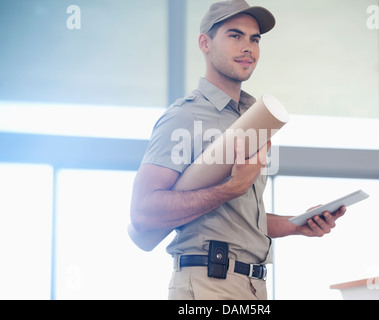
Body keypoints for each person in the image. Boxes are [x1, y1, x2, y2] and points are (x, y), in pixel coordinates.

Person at [130, 0, 346, 300]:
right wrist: (230, 189)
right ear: (205, 43)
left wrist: (297, 225)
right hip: (208, 283)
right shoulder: (184, 116)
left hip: (254, 285)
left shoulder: (253, 117)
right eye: (235, 35)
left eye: (254, 39)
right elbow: (143, 213)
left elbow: (240, 218)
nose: (248, 47)